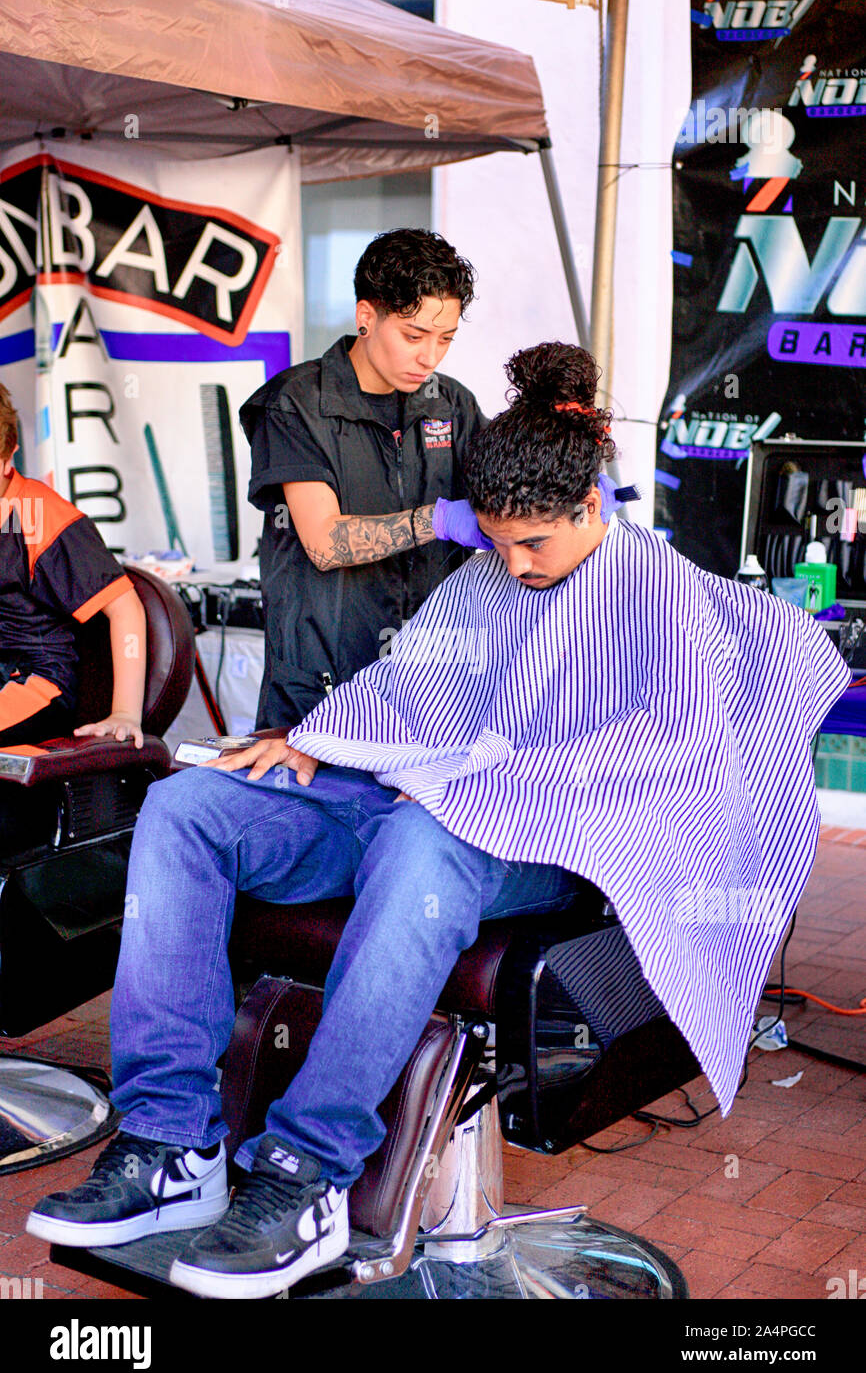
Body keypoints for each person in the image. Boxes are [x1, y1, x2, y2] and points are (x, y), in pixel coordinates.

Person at [28, 344, 848, 1301]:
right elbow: (409, 687)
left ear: (593, 507)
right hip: (407, 796)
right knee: (187, 807)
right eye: (497, 542)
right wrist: (316, 738)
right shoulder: (491, 578)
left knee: (430, 836)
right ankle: (172, 1142)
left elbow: (668, 755)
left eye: (535, 543)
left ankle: (307, 1170)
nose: (514, 564)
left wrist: (473, 787)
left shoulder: (661, 595)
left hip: (541, 838)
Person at [240, 227, 489, 729]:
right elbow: (325, 543)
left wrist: (563, 490)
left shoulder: (453, 404)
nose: (430, 357)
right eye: (414, 336)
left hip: (432, 683)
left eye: (446, 339)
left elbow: (502, 496)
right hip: (321, 685)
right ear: (365, 318)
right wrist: (437, 520)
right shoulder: (295, 404)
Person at [0, 382, 146, 749]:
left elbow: (126, 607)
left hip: (35, 679)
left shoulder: (38, 515)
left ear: (9, 458)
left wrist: (126, 713)